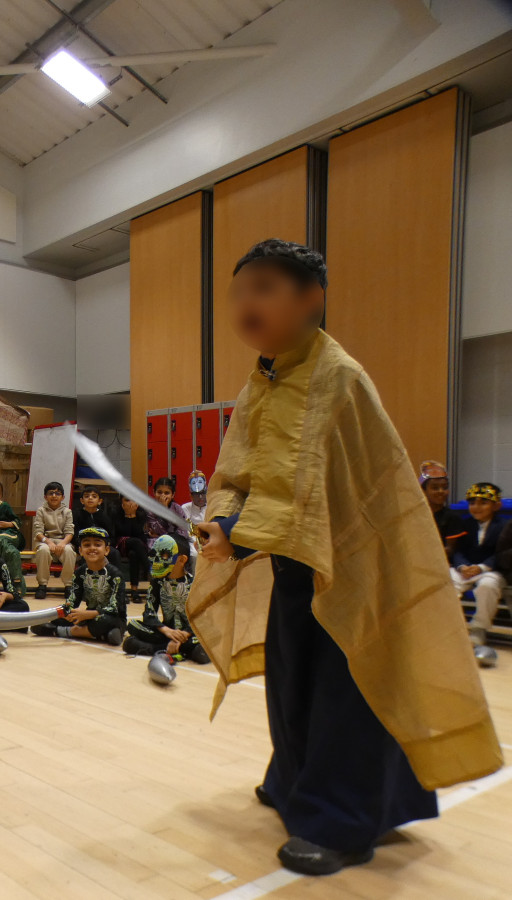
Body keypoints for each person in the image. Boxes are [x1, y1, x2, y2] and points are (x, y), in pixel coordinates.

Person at [191, 239, 499, 877]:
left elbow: (308, 495)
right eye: (238, 292)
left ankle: (344, 822)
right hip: (294, 565)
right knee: (292, 683)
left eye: (264, 288)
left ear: (312, 298)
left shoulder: (339, 378)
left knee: (346, 694)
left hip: (355, 567)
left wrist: (238, 530)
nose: (246, 304)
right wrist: (221, 520)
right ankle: (296, 782)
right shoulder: (260, 382)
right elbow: (235, 474)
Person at [31, 527, 127, 644]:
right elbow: (73, 600)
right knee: (58, 617)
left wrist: (89, 614)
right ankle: (103, 635)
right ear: (80, 551)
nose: (92, 548)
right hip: (87, 617)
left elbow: (116, 608)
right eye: (87, 545)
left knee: (104, 621)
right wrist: (67, 612)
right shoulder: (79, 572)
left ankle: (60, 631)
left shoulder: (115, 574)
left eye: (97, 545)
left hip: (110, 618)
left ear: (106, 550)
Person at [123, 535, 208, 663]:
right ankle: (178, 649)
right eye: (155, 553)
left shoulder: (195, 584)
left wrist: (185, 634)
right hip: (167, 632)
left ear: (182, 560)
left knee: (206, 639)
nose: (157, 559)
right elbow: (149, 613)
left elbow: (201, 618)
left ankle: (159, 648)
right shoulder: (157, 582)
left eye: (164, 555)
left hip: (190, 634)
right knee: (133, 625)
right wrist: (166, 630)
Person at [451, 482, 506, 647]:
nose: (476, 507)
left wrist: (481, 567)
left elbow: (502, 553)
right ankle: (450, 624)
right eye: (472, 503)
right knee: (447, 582)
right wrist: (463, 567)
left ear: (496, 506)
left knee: (487, 586)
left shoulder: (504, 526)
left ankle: (479, 628)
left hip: (491, 570)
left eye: (483, 503)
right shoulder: (465, 524)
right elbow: (457, 550)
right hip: (465, 568)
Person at [32, 481, 75, 599]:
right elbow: (38, 532)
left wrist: (63, 543)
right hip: (45, 541)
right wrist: (49, 542)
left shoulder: (67, 512)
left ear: (63, 497)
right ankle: (42, 585)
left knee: (69, 551)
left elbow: (70, 532)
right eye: (51, 493)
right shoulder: (41, 510)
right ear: (45, 497)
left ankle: (69, 586)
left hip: (62, 541)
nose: (54, 496)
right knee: (43, 550)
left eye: (57, 493)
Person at [419, 461, 465, 558]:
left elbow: (449, 550)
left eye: (445, 487)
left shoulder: (452, 517)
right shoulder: (415, 516)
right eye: (435, 488)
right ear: (423, 491)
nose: (441, 491)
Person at [113, 494, 150, 599]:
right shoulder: (115, 513)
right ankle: (150, 569)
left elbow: (139, 534)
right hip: (120, 545)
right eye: (127, 500)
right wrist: (127, 515)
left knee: (134, 554)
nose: (130, 503)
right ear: (122, 502)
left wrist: (133, 515)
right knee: (136, 542)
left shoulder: (141, 515)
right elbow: (123, 532)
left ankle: (134, 590)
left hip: (136, 547)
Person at [144, 476, 187, 547]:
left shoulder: (177, 509)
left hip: (174, 541)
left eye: (166, 493)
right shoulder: (150, 508)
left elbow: (183, 532)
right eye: (159, 492)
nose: (162, 496)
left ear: (173, 495)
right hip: (155, 541)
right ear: (154, 492)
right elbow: (156, 530)